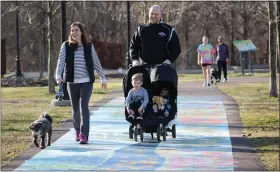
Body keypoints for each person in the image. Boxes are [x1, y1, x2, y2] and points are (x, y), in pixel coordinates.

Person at [55, 22, 107, 144]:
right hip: (72, 81)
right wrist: (58, 76)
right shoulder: (66, 46)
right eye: (72, 30)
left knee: (84, 106)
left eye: (76, 30)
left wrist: (102, 77)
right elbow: (60, 62)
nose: (73, 32)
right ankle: (77, 130)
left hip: (86, 81)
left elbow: (96, 62)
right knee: (75, 108)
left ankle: (84, 134)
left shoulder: (88, 46)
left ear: (81, 32)